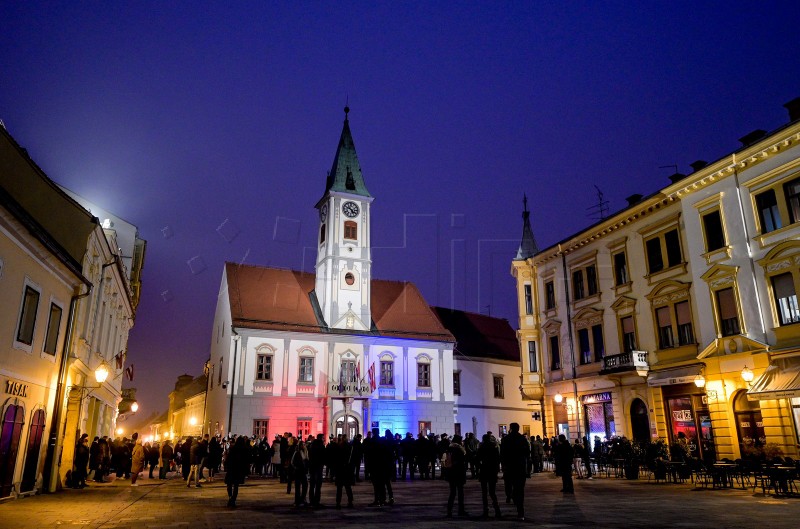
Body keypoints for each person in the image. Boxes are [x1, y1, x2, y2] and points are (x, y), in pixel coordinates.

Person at [500, 422, 530, 521]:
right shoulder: (523, 439)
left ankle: (510, 496)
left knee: (508, 484)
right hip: (520, 467)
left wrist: (503, 465)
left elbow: (502, 454)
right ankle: (520, 512)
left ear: (511, 428)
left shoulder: (505, 439)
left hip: (509, 467)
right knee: (520, 489)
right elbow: (527, 453)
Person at [477, 433, 502, 518]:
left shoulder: (481, 447)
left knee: (484, 492)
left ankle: (485, 510)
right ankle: (497, 510)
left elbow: (478, 458)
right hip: (492, 470)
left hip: (484, 470)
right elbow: (498, 459)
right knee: (492, 492)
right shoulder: (494, 447)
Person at [444, 434, 468, 518]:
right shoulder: (459, 449)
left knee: (452, 493)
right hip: (458, 472)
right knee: (460, 492)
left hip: (451, 473)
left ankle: (449, 511)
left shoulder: (449, 448)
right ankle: (460, 510)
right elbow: (462, 460)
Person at [225, 435, 249, 507]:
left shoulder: (233, 448)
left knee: (229, 484)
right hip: (239, 470)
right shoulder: (245, 449)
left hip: (231, 469)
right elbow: (246, 461)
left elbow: (228, 459)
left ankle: (230, 497)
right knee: (236, 485)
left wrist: (227, 466)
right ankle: (233, 499)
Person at [334, 435, 355, 508]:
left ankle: (338, 502)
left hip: (340, 469)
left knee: (339, 488)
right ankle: (350, 501)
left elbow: (336, 458)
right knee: (348, 487)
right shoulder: (350, 447)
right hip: (347, 469)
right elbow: (352, 459)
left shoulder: (338, 447)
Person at [308, 434, 326, 507]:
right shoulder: (321, 446)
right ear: (320, 438)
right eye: (323, 438)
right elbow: (324, 456)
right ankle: (316, 501)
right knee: (318, 485)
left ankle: (311, 500)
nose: (324, 439)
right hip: (318, 467)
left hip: (312, 466)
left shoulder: (312, 445)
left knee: (312, 485)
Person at [291, 440, 309, 506]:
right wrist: (296, 467)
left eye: (304, 444)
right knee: (298, 487)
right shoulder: (297, 452)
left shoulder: (306, 452)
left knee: (305, 485)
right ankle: (297, 501)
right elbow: (292, 462)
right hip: (298, 471)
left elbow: (307, 461)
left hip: (303, 472)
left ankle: (303, 499)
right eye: (302, 445)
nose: (303, 446)